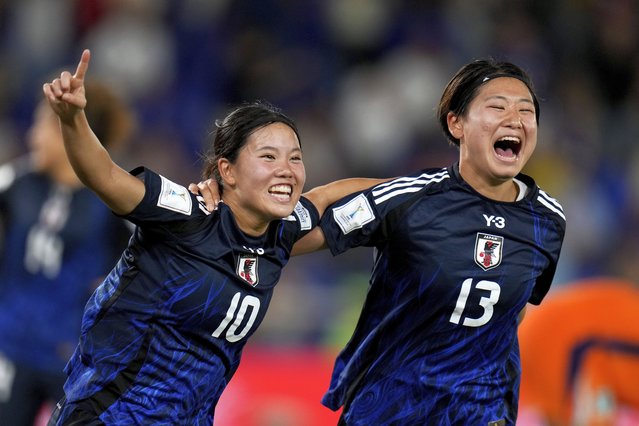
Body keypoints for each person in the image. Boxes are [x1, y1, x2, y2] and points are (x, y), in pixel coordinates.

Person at [42, 49, 385, 425]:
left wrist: (424, 188)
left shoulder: (281, 233)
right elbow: (105, 176)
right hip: (110, 415)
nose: (286, 170)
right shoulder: (186, 214)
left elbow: (329, 195)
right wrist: (73, 118)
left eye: (295, 158)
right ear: (228, 170)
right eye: (268, 157)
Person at [288, 59, 566, 424]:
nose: (514, 118)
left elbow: (514, 311)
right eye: (497, 106)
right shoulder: (411, 199)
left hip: (480, 411)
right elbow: (302, 237)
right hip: (392, 406)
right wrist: (230, 224)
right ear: (456, 123)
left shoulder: (547, 221)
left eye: (526, 111)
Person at [0, 77, 135, 425]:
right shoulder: (16, 182)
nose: (31, 136)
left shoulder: (113, 206)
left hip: (72, 360)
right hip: (9, 348)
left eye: (39, 124)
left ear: (65, 131)